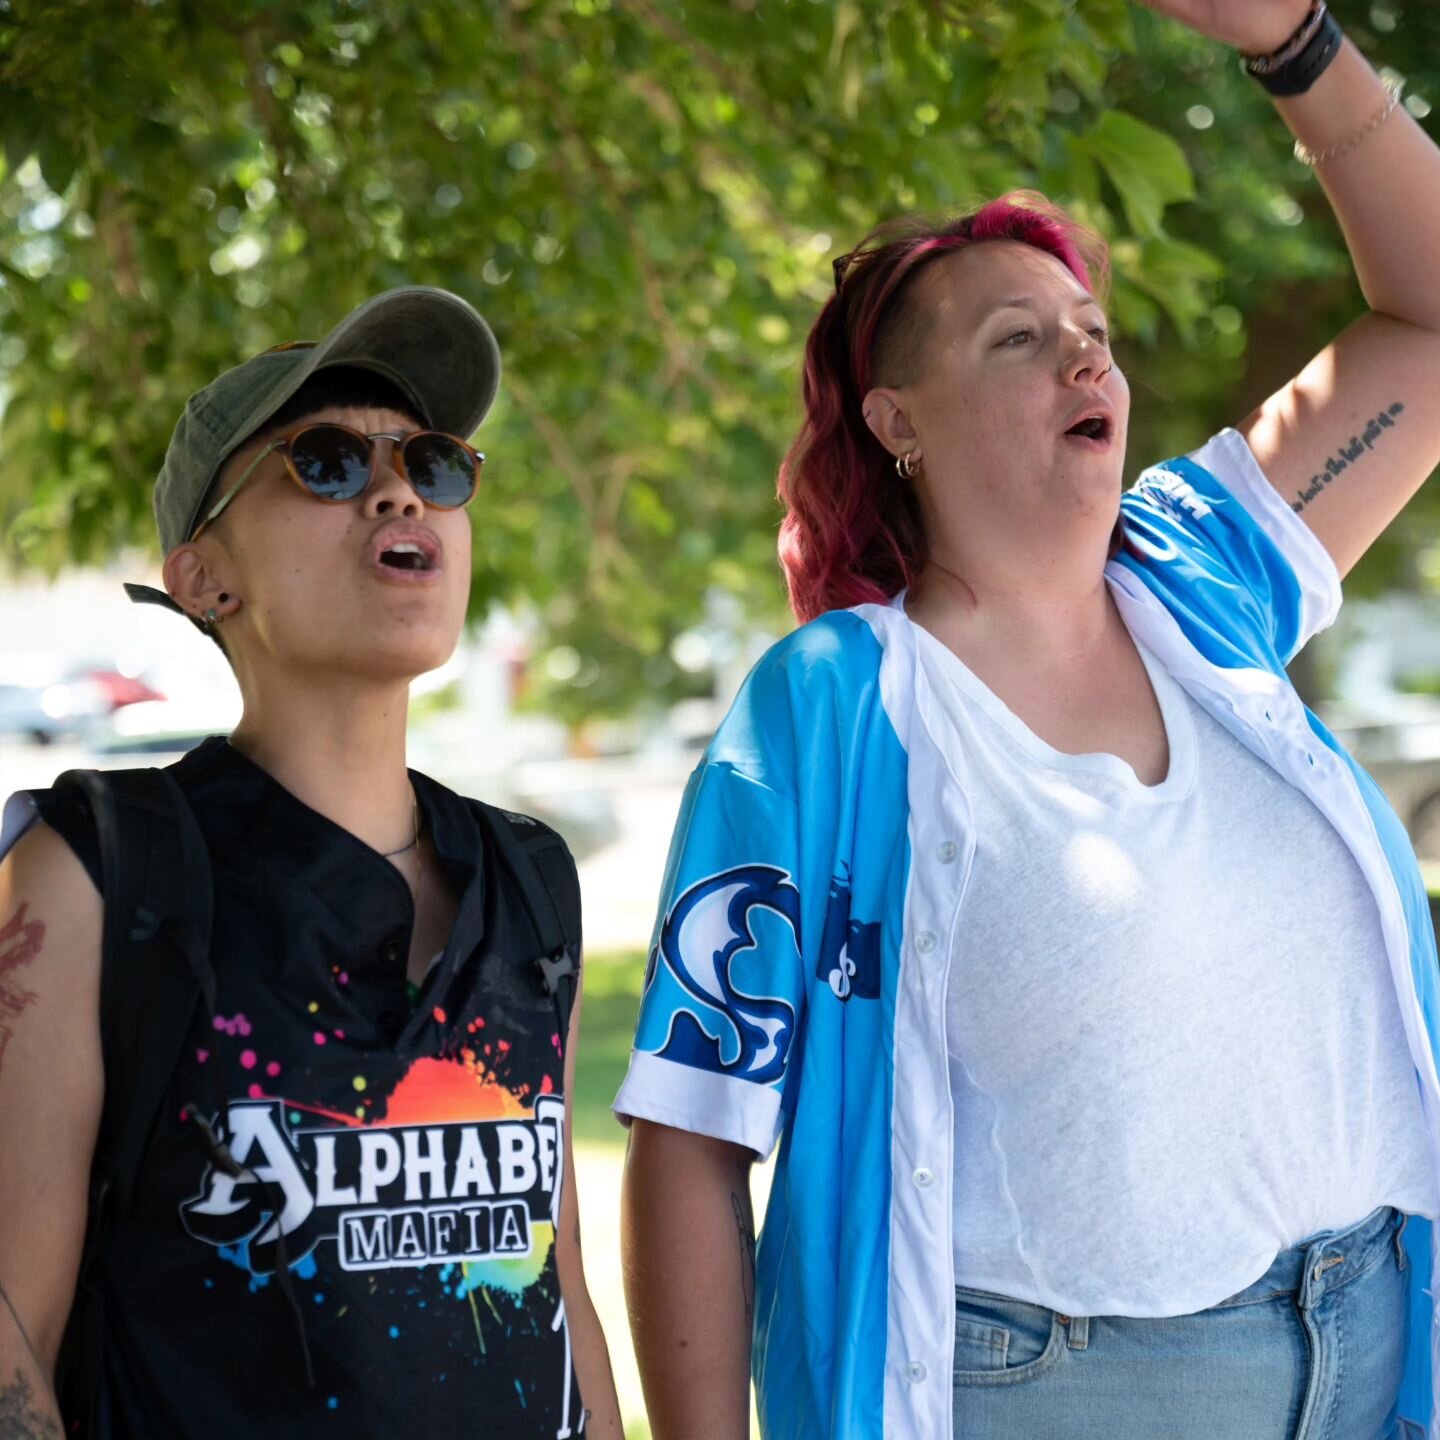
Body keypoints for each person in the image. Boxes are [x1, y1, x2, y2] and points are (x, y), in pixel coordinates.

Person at [617, 3, 1440, 1437]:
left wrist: (1294, 40)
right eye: (1021, 338)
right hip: (1051, 1396)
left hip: (1364, 1345)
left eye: (1094, 335)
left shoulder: (1209, 573)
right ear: (898, 421)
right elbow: (693, 1132)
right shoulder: (831, 710)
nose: (1089, 364)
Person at [0, 288, 622, 1437]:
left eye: (431, 462)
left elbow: (557, 1288)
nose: (398, 489)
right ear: (203, 579)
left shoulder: (533, 878)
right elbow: (13, 1335)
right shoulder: (101, 868)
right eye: (326, 462)